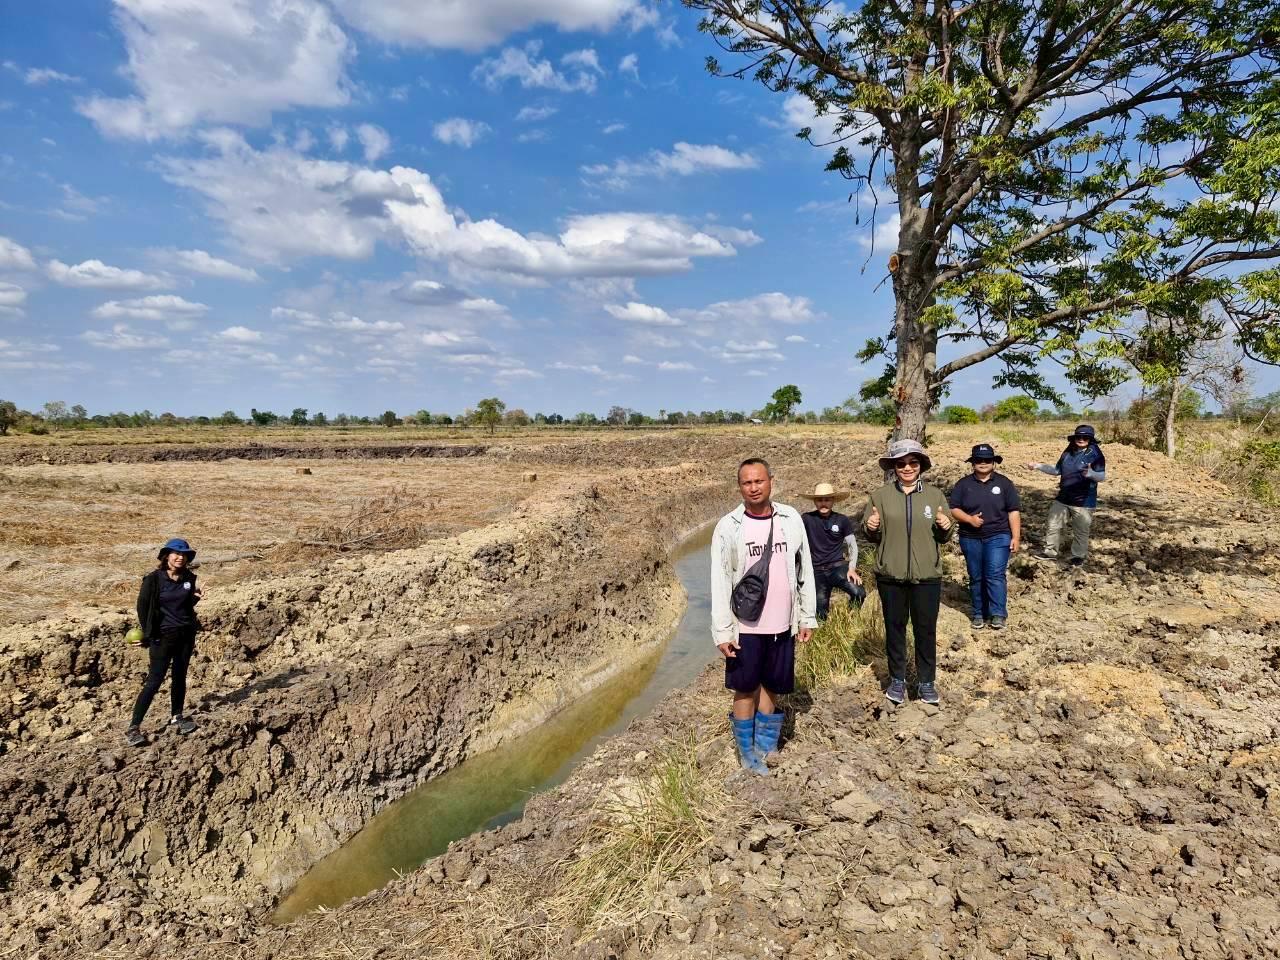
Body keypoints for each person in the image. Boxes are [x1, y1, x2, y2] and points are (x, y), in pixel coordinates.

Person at [711, 458, 817, 775]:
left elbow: (805, 569)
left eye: (759, 481)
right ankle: (746, 753)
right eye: (747, 482)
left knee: (772, 685)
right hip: (745, 627)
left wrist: (806, 617)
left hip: (782, 623)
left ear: (771, 481)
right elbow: (719, 580)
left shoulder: (790, 519)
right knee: (745, 687)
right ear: (739, 487)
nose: (754, 487)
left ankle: (765, 747)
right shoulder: (729, 527)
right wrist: (722, 632)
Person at [861, 439, 954, 706]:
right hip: (891, 576)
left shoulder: (935, 496)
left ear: (921, 465)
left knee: (926, 630)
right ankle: (897, 681)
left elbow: (945, 535)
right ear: (893, 467)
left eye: (913, 462)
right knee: (895, 629)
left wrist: (947, 525)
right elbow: (872, 535)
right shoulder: (880, 496)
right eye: (900, 463)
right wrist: (872, 526)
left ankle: (926, 683)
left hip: (926, 576)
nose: (907, 467)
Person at [125, 538, 204, 747]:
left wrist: (195, 598)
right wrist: (147, 636)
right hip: (162, 637)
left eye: (184, 554)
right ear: (166, 556)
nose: (180, 557)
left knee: (180, 676)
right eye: (176, 553)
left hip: (185, 634)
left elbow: (184, 606)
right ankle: (134, 727)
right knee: (154, 680)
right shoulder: (153, 580)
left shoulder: (188, 578)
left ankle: (177, 716)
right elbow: (143, 608)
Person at [948, 443, 1021, 631]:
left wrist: (1016, 537)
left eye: (987, 460)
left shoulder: (1004, 483)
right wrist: (969, 519)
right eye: (978, 460)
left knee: (995, 575)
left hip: (998, 536)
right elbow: (954, 508)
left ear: (993, 462)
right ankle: (978, 613)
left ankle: (998, 614)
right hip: (970, 537)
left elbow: (1013, 511)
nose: (983, 463)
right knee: (976, 576)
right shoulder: (963, 484)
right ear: (972, 463)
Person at [1026, 424, 1107, 567]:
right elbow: (1057, 470)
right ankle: (1050, 552)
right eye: (1078, 437)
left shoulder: (1096, 454)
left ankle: (1078, 556)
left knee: (1080, 531)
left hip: (1084, 501)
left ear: (1090, 439)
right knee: (1053, 525)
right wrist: (1038, 466)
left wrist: (1091, 474)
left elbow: (1101, 476)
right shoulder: (1068, 451)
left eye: (1085, 437)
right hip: (1063, 497)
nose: (1081, 439)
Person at [800, 482, 865, 621]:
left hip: (838, 567)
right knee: (820, 612)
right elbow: (796, 542)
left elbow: (852, 545)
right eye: (819, 499)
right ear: (814, 501)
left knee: (858, 593)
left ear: (833, 501)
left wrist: (852, 568)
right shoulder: (806, 519)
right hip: (816, 570)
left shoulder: (842, 520)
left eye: (827, 499)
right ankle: (825, 636)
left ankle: (850, 620)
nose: (823, 503)